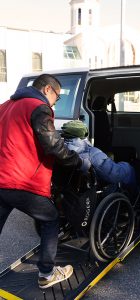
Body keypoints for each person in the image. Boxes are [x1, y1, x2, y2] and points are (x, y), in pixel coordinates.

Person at [0, 74, 90, 289]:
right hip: (23, 180)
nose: (54, 103)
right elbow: (52, 146)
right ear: (48, 89)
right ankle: (47, 274)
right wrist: (77, 162)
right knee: (50, 219)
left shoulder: (5, 106)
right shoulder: (39, 107)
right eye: (57, 98)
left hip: (1, 179)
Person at [61, 120, 136, 189]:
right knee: (128, 169)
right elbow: (114, 175)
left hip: (70, 193)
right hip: (94, 192)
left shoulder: (60, 151)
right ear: (85, 133)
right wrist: (125, 165)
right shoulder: (92, 153)